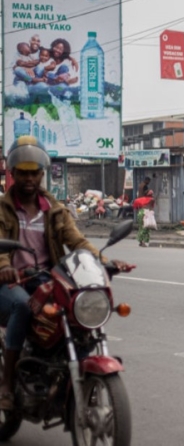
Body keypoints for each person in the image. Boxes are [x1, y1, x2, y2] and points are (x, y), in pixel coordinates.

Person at [0, 136, 132, 410]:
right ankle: (7, 383)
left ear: (41, 174)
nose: (28, 179)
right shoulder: (2, 209)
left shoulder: (55, 210)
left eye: (33, 173)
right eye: (22, 173)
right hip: (12, 281)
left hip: (47, 279)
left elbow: (78, 242)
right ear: (12, 174)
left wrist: (105, 261)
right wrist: (4, 267)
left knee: (75, 310)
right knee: (23, 308)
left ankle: (64, 369)